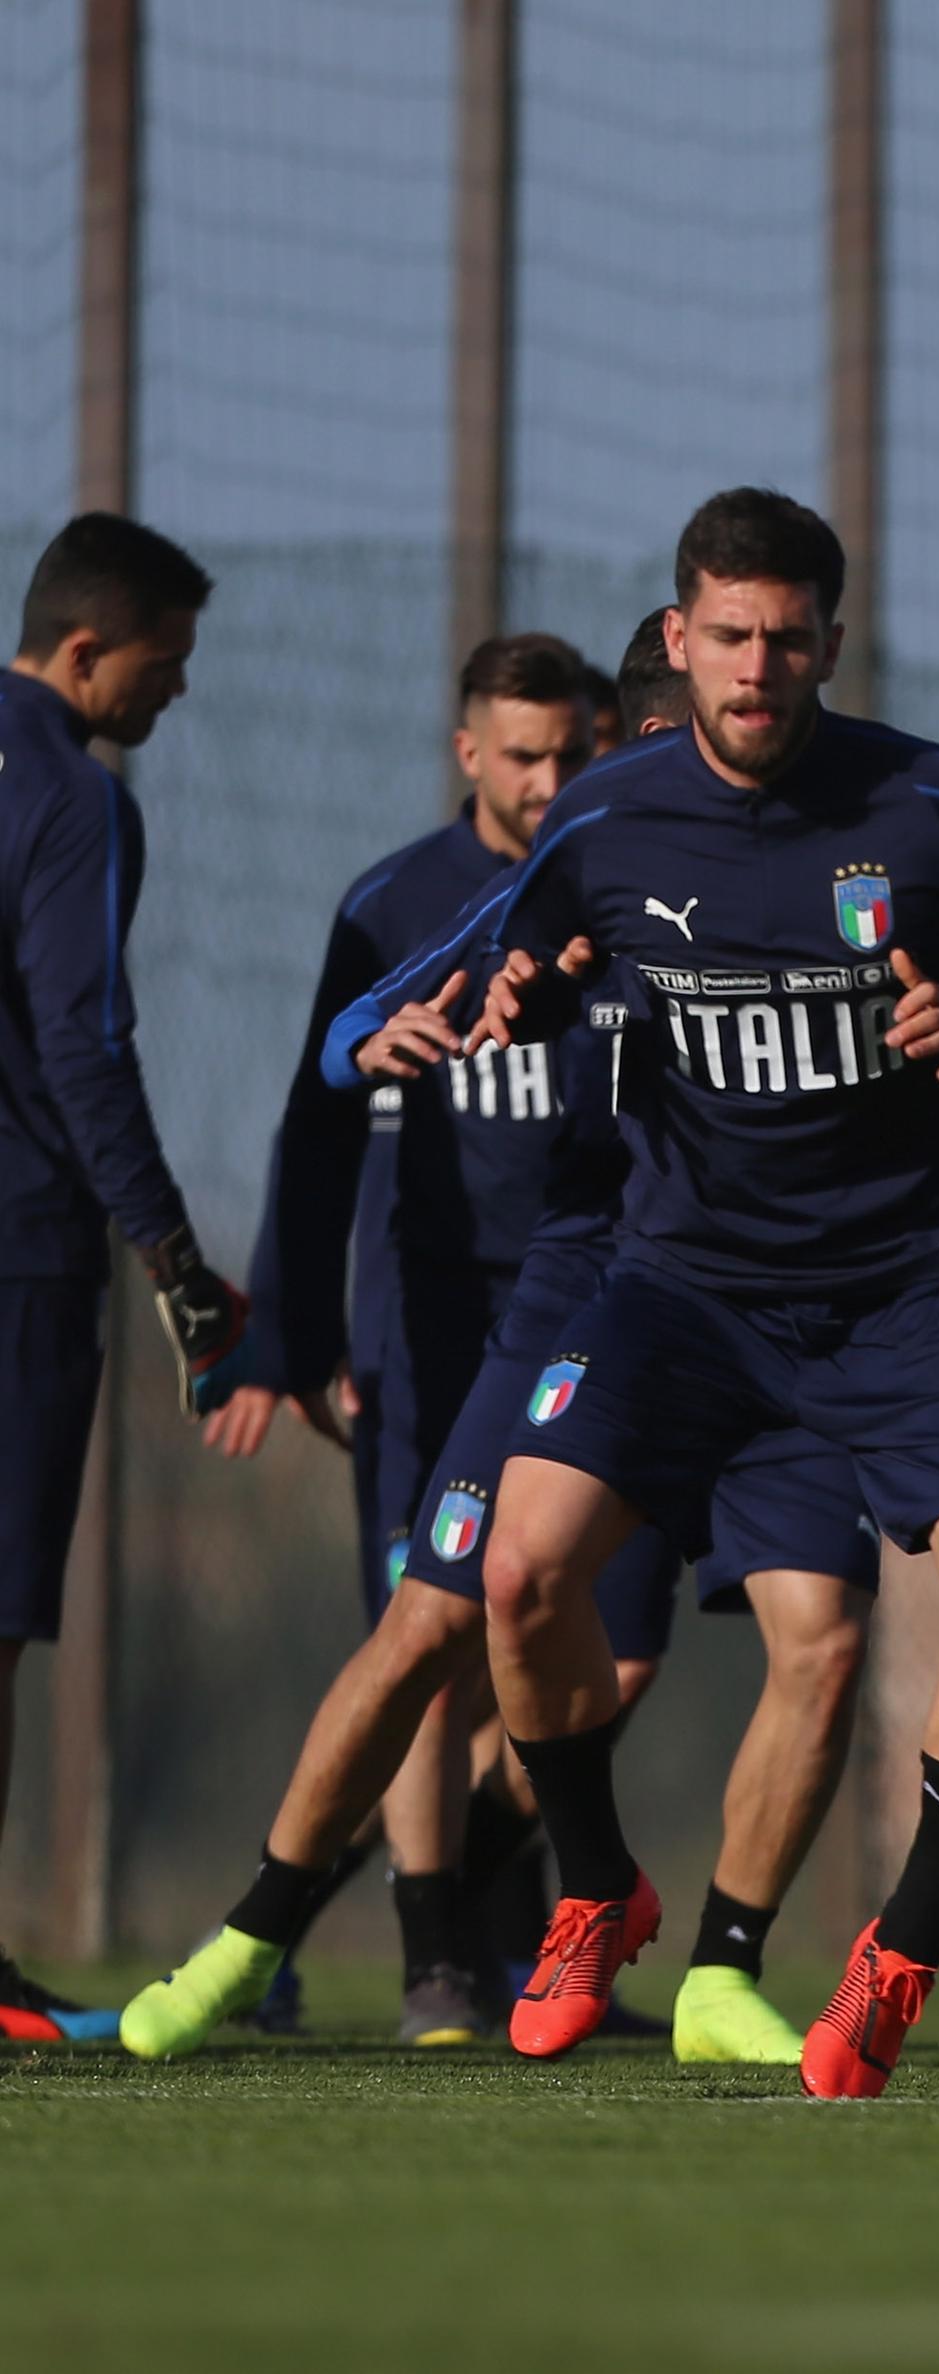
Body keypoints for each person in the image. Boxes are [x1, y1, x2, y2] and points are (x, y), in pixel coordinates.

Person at [316, 489, 939, 2098]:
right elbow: (459, 983)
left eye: (789, 637)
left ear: (832, 639)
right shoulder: (608, 819)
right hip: (681, 1289)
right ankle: (596, 1894)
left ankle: (892, 1958)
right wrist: (407, 1031)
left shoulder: (936, 802)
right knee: (517, 1573)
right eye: (729, 637)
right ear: (679, 644)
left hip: (909, 1290)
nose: (758, 667)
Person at [119, 615, 883, 2070]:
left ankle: (687, 1949)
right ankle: (270, 1933)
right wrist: (390, 1041)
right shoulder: (546, 879)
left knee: (800, 1638)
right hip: (567, 1297)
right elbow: (345, 1052)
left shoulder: (804, 885)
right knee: (434, 1612)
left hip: (760, 1302)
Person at [0, 513, 243, 2043]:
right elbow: (82, 1042)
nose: (173, 696)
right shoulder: (74, 798)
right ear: (87, 649)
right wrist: (170, 1252)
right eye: (163, 666)